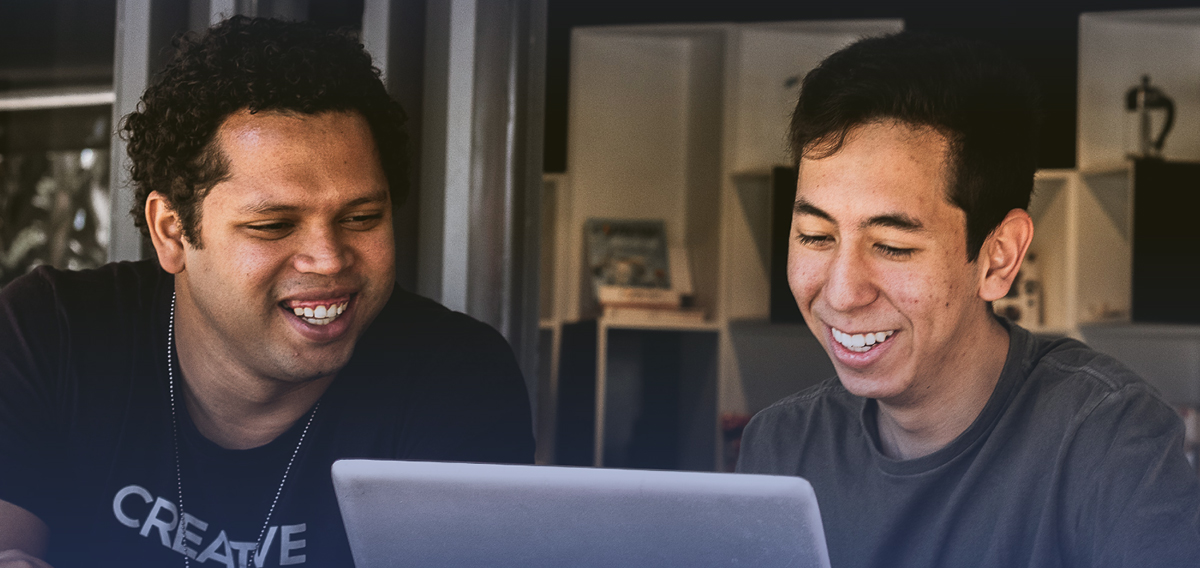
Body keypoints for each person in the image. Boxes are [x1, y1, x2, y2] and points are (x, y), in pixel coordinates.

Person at [0, 16, 534, 568]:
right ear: (172, 232)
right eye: (273, 225)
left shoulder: (455, 379)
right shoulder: (52, 334)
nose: (329, 259)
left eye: (361, 218)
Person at [736, 32, 1200, 567]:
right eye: (816, 236)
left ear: (998, 258)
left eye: (892, 246)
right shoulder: (783, 445)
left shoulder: (1111, 441)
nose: (842, 293)